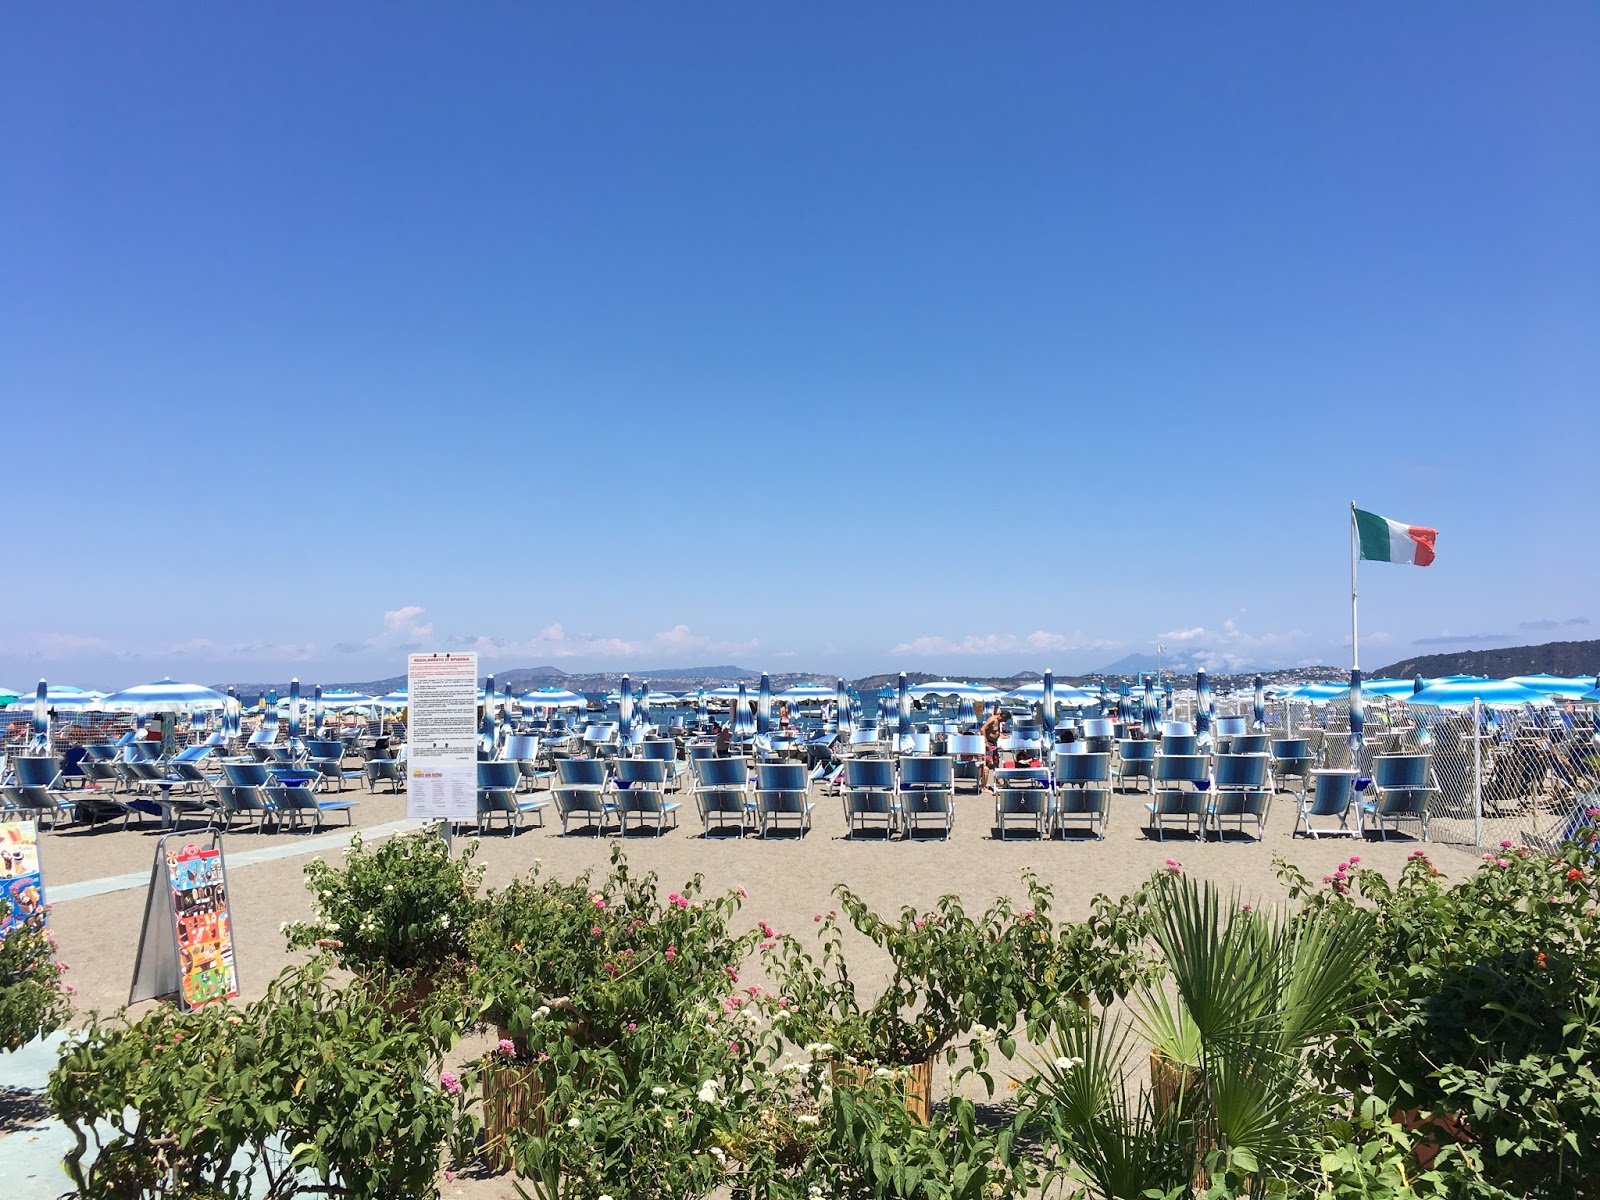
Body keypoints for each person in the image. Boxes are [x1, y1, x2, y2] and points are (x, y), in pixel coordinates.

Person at [980, 707, 1010, 791]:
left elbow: (996, 733)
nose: (1005, 721)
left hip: (994, 744)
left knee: (996, 762)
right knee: (988, 764)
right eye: (1005, 719)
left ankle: (997, 781)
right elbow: (982, 730)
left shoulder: (998, 722)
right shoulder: (992, 720)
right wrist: (985, 742)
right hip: (988, 744)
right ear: (1002, 715)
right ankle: (984, 786)